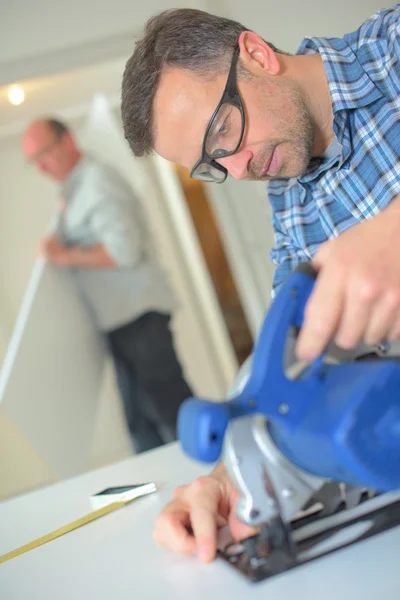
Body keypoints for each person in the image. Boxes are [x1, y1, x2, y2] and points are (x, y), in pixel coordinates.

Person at [121, 5, 400, 561]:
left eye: (223, 130)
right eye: (212, 164)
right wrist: (238, 474)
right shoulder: (292, 207)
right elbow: (289, 358)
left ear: (256, 55)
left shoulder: (392, 48)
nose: (241, 168)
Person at [22, 118, 193, 454]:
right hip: (121, 320)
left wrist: (63, 254)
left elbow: (123, 251)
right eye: (34, 161)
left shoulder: (97, 182)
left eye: (44, 153)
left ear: (68, 140)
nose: (41, 167)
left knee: (168, 408)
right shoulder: (73, 191)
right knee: (141, 423)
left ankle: (212, 479)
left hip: (138, 314)